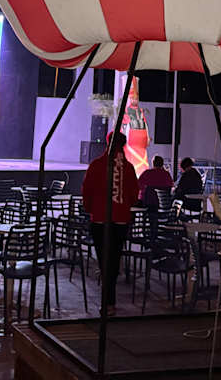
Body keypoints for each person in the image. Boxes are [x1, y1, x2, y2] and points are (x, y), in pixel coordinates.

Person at [81, 131, 138, 314]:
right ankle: (110, 303)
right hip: (120, 221)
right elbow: (134, 195)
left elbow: (86, 191)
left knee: (104, 261)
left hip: (100, 220)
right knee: (113, 260)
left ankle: (108, 302)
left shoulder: (96, 165)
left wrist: (92, 209)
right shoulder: (128, 168)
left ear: (107, 143)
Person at [136, 155, 174, 240]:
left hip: (148, 204)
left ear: (153, 163)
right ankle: (155, 232)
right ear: (162, 164)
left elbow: (138, 186)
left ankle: (137, 232)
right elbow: (170, 187)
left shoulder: (147, 173)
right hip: (164, 207)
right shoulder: (166, 174)